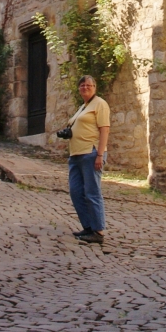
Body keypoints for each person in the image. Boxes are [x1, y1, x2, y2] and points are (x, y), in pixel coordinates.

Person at [64, 75, 110, 246]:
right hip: (75, 154)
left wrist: (100, 154)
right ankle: (88, 226)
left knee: (92, 192)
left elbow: (104, 130)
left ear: (95, 87)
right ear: (79, 88)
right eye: (82, 85)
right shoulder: (83, 107)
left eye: (89, 85)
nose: (85, 87)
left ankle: (98, 231)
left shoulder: (100, 104)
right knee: (76, 191)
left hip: (91, 153)